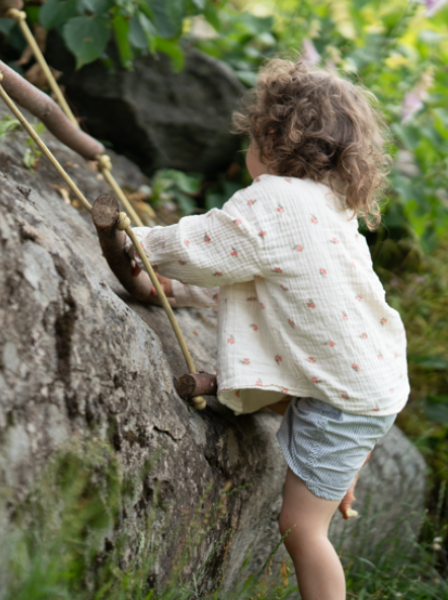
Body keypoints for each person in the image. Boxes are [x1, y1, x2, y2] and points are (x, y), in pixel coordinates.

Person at [125, 58, 409, 600]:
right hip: (374, 378)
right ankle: (339, 475)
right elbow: (249, 284)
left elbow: (207, 245)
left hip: (344, 399)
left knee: (302, 528)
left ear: (270, 138)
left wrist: (136, 239)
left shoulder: (273, 201)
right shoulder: (330, 206)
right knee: (329, 462)